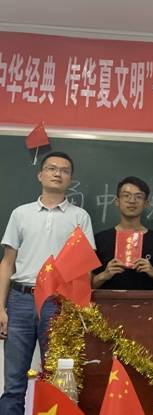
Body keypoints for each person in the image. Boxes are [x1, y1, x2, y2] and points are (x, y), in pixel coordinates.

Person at [0, 151, 95, 414]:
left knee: (58, 380)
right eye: (52, 168)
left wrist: (76, 309)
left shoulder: (80, 217)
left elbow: (84, 268)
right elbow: (7, 263)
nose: (57, 174)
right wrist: (1, 308)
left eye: (64, 170)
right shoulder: (20, 214)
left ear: (70, 179)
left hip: (58, 304)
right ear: (40, 175)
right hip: (20, 300)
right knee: (13, 383)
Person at [92, 176, 153, 290]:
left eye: (138, 196)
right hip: (108, 301)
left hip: (146, 300)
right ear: (117, 201)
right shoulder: (100, 239)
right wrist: (105, 274)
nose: (132, 201)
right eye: (126, 195)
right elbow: (88, 285)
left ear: (146, 203)